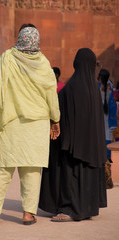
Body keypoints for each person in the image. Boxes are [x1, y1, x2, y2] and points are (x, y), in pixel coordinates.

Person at [0, 23, 60, 225]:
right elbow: (51, 94)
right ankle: (28, 214)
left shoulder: (7, 58)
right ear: (37, 41)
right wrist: (55, 119)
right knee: (31, 170)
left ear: (19, 40)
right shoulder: (43, 63)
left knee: (1, 170)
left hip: (9, 123)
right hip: (36, 125)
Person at [39, 48, 107, 222]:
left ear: (76, 63)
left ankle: (69, 209)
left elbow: (57, 114)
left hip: (71, 145)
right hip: (91, 146)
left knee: (70, 173)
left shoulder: (70, 88)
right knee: (85, 172)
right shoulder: (94, 89)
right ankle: (87, 208)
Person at [98, 69, 117, 160]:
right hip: (107, 119)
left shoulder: (96, 90)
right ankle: (107, 158)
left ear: (100, 78)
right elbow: (112, 109)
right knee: (107, 136)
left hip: (97, 118)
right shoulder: (109, 91)